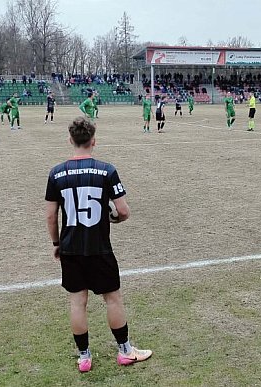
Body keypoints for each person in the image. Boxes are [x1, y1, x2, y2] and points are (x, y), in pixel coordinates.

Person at [45, 117, 153, 373]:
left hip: (71, 248)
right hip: (99, 248)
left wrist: (56, 243)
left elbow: (51, 216)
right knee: (113, 298)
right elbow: (123, 211)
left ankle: (84, 357)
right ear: (93, 141)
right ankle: (125, 351)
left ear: (71, 140)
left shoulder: (56, 173)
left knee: (77, 302)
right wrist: (113, 217)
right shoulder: (107, 170)